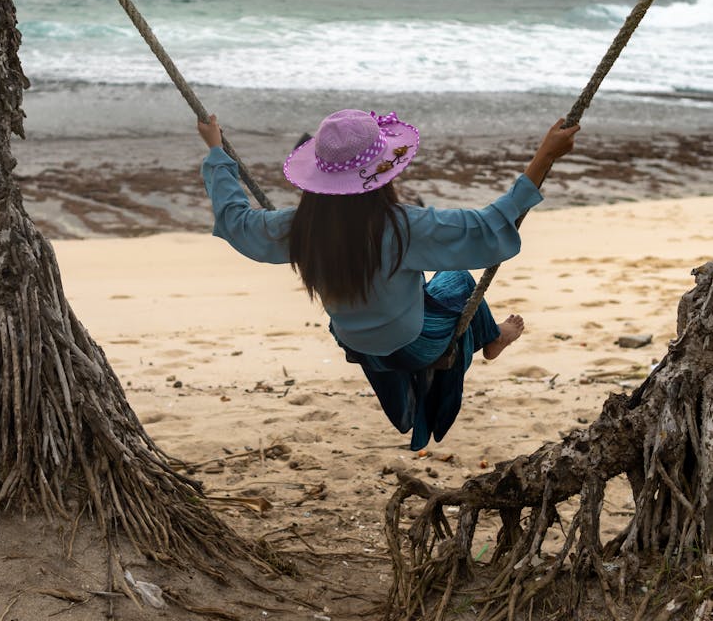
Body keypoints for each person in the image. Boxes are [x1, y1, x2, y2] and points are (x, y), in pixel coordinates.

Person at [198, 109, 579, 450]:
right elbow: (486, 227)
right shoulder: (403, 227)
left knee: (405, 294)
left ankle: (444, 363)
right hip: (414, 345)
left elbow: (236, 220)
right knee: (458, 279)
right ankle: (491, 337)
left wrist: (217, 153)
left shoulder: (298, 229)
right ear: (381, 173)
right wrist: (544, 155)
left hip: (356, 342)